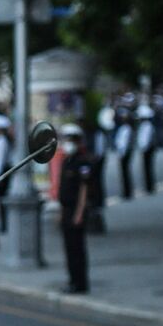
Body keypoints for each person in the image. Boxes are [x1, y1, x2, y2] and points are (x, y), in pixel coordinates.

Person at [57, 123, 93, 294]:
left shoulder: (82, 162)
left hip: (76, 210)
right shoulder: (67, 161)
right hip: (66, 209)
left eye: (71, 140)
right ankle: (72, 280)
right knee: (69, 248)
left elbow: (84, 189)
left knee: (77, 248)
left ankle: (80, 283)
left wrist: (79, 213)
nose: (67, 143)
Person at [136, 103, 157, 194]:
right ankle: (149, 186)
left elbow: (145, 139)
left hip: (147, 149)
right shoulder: (145, 125)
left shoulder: (147, 126)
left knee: (147, 168)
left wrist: (143, 149)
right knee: (147, 168)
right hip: (146, 149)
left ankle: (149, 186)